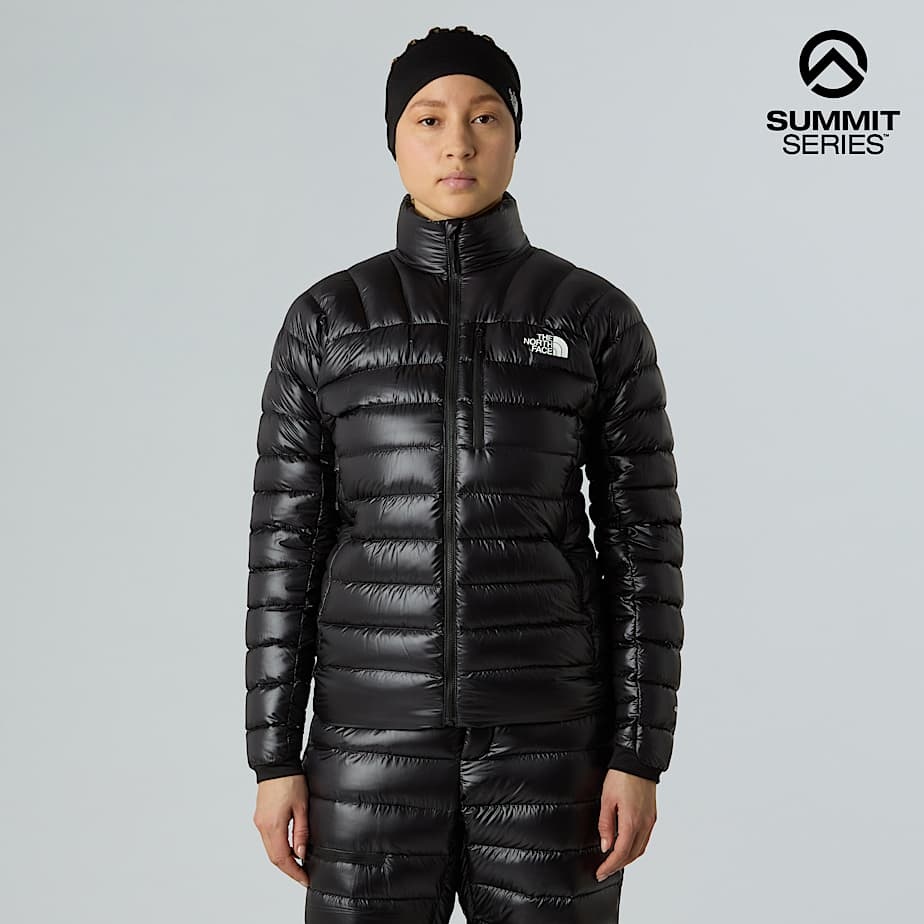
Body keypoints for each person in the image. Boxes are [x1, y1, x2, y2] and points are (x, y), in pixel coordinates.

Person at [245, 25, 684, 923]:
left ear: (515, 135)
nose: (458, 143)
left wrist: (639, 755)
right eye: (429, 118)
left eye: (485, 117)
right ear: (394, 140)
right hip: (367, 748)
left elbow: (644, 548)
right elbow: (284, 549)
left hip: (552, 749)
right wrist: (274, 758)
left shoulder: (592, 317)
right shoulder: (328, 320)